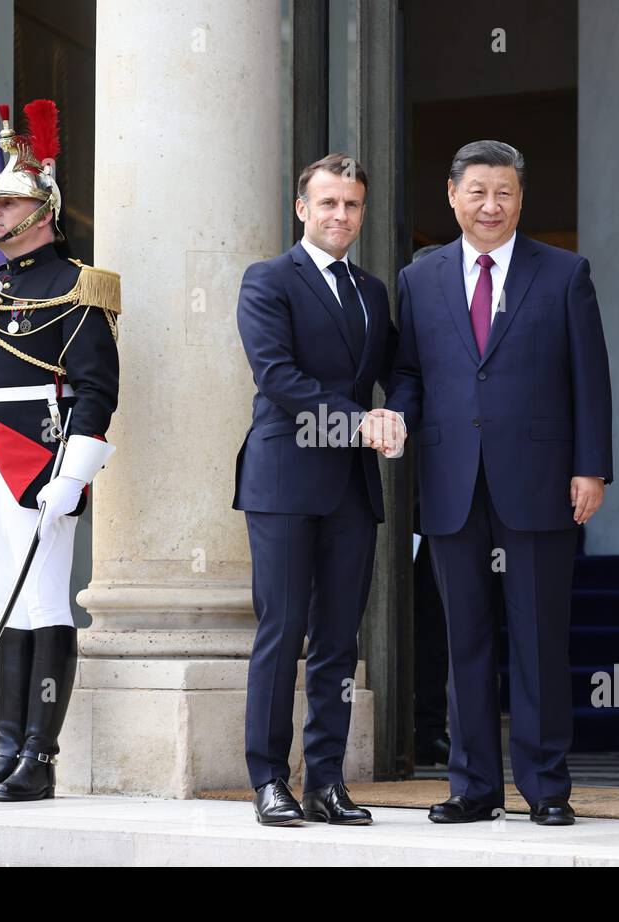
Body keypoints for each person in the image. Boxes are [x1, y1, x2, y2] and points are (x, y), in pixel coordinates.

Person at [386, 140, 613, 825]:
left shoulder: (565, 273)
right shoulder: (418, 279)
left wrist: (592, 467)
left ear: (521, 199)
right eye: (478, 191)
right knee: (467, 640)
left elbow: (591, 380)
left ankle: (546, 787)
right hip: (452, 480)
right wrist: (396, 414)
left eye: (505, 192)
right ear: (452, 197)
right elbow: (409, 372)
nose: (491, 205)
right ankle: (473, 785)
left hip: (542, 481)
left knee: (540, 636)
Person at [0, 100, 121, 802]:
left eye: (7, 202)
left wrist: (73, 473)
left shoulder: (78, 285)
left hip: (37, 461)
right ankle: (6, 748)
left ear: (43, 210)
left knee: (44, 602)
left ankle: (40, 755)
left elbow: (97, 390)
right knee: (7, 602)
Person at [232, 154, 403, 826]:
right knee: (283, 629)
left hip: (351, 489)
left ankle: (326, 780)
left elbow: (399, 369)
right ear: (301, 207)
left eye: (352, 205)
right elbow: (279, 377)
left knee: (339, 639)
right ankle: (269, 777)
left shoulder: (372, 291)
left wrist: (401, 413)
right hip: (285, 479)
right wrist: (363, 422)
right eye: (328, 203)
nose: (340, 216)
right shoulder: (268, 279)